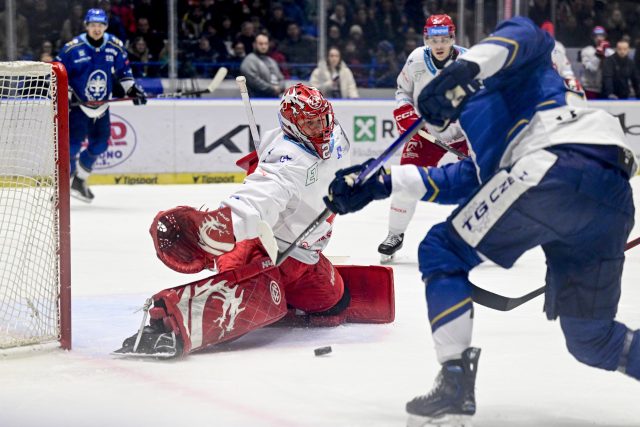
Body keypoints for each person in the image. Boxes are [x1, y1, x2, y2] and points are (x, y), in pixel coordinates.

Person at [324, 16, 639, 426]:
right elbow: (476, 181)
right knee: (591, 339)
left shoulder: (511, 66)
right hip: (608, 193)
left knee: (441, 250)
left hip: (554, 165)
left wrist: (463, 72)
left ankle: (454, 383)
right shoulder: (477, 117)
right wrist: (382, 182)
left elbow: (528, 33)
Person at [115, 84, 394, 357]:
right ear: (293, 127)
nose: (321, 129)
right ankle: (170, 322)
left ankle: (273, 296)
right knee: (242, 299)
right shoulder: (289, 163)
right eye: (310, 125)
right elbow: (258, 199)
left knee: (335, 305)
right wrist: (216, 227)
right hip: (268, 249)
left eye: (323, 120)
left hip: (304, 257)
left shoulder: (336, 135)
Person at [377, 14, 469, 263]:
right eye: (433, 39)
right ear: (426, 38)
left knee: (482, 182)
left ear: (452, 38)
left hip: (465, 133)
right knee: (405, 181)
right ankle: (395, 234)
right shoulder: (416, 59)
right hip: (428, 133)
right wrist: (405, 114)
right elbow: (402, 92)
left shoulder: (469, 62)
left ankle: (476, 236)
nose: (439, 45)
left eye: (444, 39)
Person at [55, 8, 147, 203]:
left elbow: (124, 71)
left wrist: (132, 90)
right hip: (78, 107)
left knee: (100, 145)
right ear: (87, 26)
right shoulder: (72, 48)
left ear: (105, 26)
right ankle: (63, 186)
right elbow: (57, 74)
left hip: (102, 107)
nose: (97, 29)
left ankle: (79, 180)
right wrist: (67, 93)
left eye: (100, 25)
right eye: (93, 25)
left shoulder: (114, 45)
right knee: (70, 148)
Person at [541, 21, 583, 94]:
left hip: (556, 88)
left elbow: (566, 70)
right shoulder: (535, 48)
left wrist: (571, 81)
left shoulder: (558, 47)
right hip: (540, 89)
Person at [239, 33, 285, 98]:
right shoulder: (249, 61)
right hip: (257, 101)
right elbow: (254, 82)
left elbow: (281, 78)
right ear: (254, 45)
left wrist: (280, 87)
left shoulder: (271, 61)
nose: (263, 46)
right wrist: (273, 89)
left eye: (266, 44)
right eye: (260, 44)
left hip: (275, 100)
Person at [580, 26, 614, 99]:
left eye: (601, 35)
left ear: (605, 37)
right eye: (596, 36)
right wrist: (598, 54)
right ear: (593, 37)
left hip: (605, 88)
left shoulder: (610, 52)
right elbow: (592, 69)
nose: (599, 38)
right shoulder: (586, 51)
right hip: (590, 88)